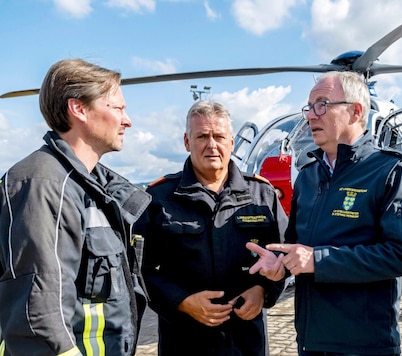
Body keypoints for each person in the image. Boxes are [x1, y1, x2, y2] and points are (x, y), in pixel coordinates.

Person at [247, 71, 402, 355]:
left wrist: (318, 261)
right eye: (308, 107)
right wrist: (279, 264)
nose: (310, 117)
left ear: (355, 111)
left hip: (364, 344)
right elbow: (296, 245)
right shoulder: (307, 177)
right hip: (311, 341)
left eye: (322, 105)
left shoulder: (390, 170)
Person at [0, 59, 151, 355]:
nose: (127, 120)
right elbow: (41, 313)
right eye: (117, 108)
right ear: (78, 109)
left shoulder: (89, 188)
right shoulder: (43, 184)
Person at [136, 100, 287, 355]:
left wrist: (263, 291)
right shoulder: (159, 198)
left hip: (246, 340)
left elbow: (283, 254)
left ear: (231, 142)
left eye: (219, 136)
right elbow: (140, 269)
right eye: (202, 136)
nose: (211, 145)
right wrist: (182, 302)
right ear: (187, 142)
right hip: (184, 340)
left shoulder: (262, 195)